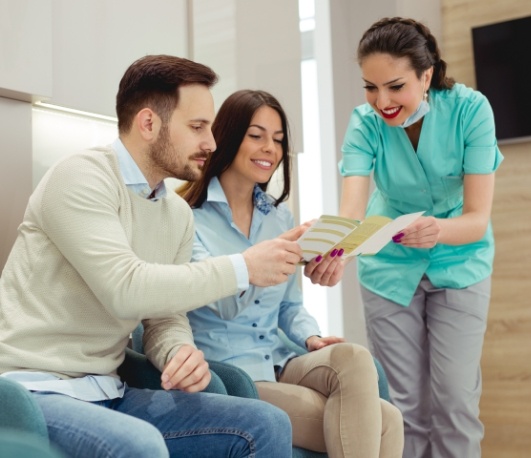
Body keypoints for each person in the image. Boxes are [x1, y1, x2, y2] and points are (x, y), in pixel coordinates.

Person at [0, 55, 305, 458]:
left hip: (110, 389)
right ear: (148, 124)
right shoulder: (80, 178)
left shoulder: (175, 213)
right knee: (139, 445)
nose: (211, 143)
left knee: (265, 423)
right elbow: (126, 289)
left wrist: (177, 352)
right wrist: (243, 267)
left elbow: (164, 316)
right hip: (34, 389)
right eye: (197, 127)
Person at [312, 17, 503, 458]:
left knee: (455, 403)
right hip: (389, 268)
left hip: (461, 260)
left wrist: (438, 230)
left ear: (427, 74)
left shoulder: (471, 110)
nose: (382, 101)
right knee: (403, 409)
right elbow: (352, 212)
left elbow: (476, 218)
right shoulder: (364, 124)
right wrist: (338, 253)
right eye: (370, 87)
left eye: (395, 86)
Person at [178, 89, 404, 458]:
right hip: (232, 373)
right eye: (256, 135)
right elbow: (223, 306)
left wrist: (310, 337)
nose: (270, 147)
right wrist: (267, 257)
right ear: (228, 136)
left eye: (278, 140)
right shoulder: (187, 217)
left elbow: (290, 307)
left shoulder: (278, 217)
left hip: (280, 358)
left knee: (355, 358)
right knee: (386, 422)